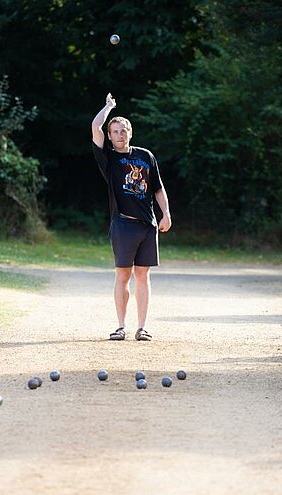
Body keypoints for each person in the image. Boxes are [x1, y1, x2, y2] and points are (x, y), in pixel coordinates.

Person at [91, 92, 172, 341]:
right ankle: (120, 326)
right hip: (123, 223)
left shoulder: (146, 156)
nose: (119, 134)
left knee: (143, 276)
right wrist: (108, 107)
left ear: (130, 133)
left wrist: (166, 213)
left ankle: (142, 327)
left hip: (147, 224)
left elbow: (157, 188)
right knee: (123, 275)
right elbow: (95, 126)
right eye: (115, 131)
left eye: (123, 130)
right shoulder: (109, 158)